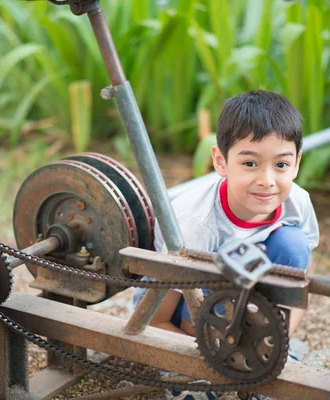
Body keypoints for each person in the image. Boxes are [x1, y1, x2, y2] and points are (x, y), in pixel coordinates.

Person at [133, 90, 319, 399]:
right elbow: (155, 318)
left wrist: (276, 342)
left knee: (293, 244)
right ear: (221, 161)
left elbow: (303, 275)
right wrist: (192, 359)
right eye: (249, 163)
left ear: (296, 163)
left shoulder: (297, 203)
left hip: (240, 302)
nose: (267, 180)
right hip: (181, 309)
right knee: (216, 270)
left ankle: (258, 350)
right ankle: (189, 370)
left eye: (281, 165)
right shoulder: (194, 225)